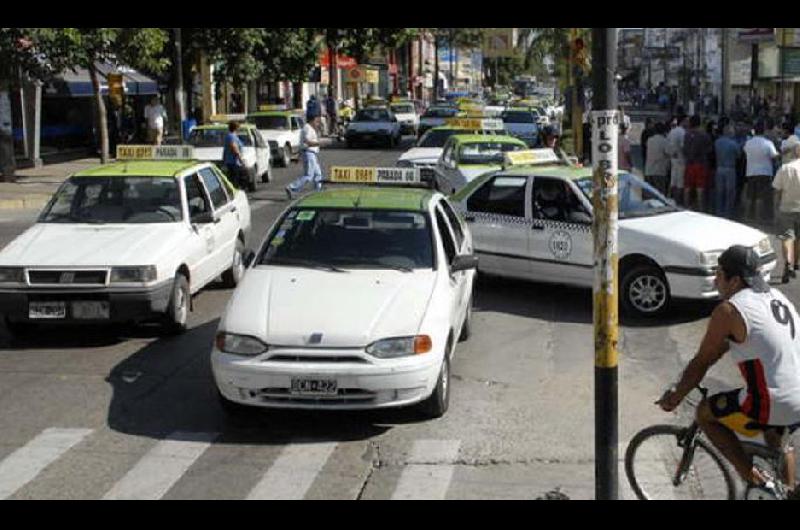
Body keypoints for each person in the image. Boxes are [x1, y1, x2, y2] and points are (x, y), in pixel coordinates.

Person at [658, 245, 800, 495]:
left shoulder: (729, 310)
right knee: (778, 440)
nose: (715, 279)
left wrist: (676, 396)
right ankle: (786, 491)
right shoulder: (777, 297)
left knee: (704, 413)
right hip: (797, 395)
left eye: (719, 272)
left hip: (774, 401)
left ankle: (755, 480)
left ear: (734, 280)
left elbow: (703, 360)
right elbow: (744, 342)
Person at [773, 136, 800, 283]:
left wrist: (775, 207)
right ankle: (795, 262)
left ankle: (787, 263)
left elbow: (777, 190)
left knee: (787, 237)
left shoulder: (784, 169)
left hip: (786, 208)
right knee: (799, 238)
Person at [744, 122, 780, 222]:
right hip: (764, 172)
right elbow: (774, 156)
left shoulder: (748, 142)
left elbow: (745, 152)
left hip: (750, 171)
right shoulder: (768, 143)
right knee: (760, 196)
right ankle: (758, 217)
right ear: (764, 131)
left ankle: (747, 216)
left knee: (750, 196)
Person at [286, 113, 323, 199]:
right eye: (317, 121)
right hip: (309, 153)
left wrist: (298, 156)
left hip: (311, 153)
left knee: (318, 174)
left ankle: (318, 192)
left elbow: (302, 143)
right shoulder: (307, 128)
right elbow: (307, 142)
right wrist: (320, 143)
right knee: (309, 176)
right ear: (312, 120)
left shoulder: (310, 128)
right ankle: (291, 187)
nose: (318, 123)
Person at [683, 115, 713, 211]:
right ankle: (701, 209)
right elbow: (710, 149)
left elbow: (684, 149)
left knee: (687, 187)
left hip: (689, 163)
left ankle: (686, 207)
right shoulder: (704, 135)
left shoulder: (686, 135)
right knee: (700, 188)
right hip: (701, 163)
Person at [714, 125, 742, 219]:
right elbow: (738, 155)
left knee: (719, 191)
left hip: (719, 168)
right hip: (730, 168)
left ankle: (719, 212)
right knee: (729, 192)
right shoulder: (733, 143)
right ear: (730, 132)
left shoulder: (717, 142)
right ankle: (728, 213)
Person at [666, 115, 689, 205]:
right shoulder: (682, 132)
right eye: (687, 121)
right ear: (683, 121)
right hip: (681, 159)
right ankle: (678, 202)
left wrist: (671, 153)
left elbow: (667, 144)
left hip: (673, 159)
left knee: (673, 181)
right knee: (680, 183)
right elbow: (683, 147)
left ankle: (671, 200)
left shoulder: (672, 131)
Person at [645, 122, 670, 196]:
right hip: (660, 171)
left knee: (650, 194)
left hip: (649, 170)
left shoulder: (649, 140)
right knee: (660, 194)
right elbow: (669, 152)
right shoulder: (664, 141)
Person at [222, 121, 247, 189]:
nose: (239, 129)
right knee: (234, 180)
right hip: (233, 162)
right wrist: (241, 159)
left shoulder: (232, 135)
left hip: (233, 162)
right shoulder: (231, 136)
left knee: (235, 179)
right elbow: (234, 148)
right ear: (236, 128)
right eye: (238, 128)